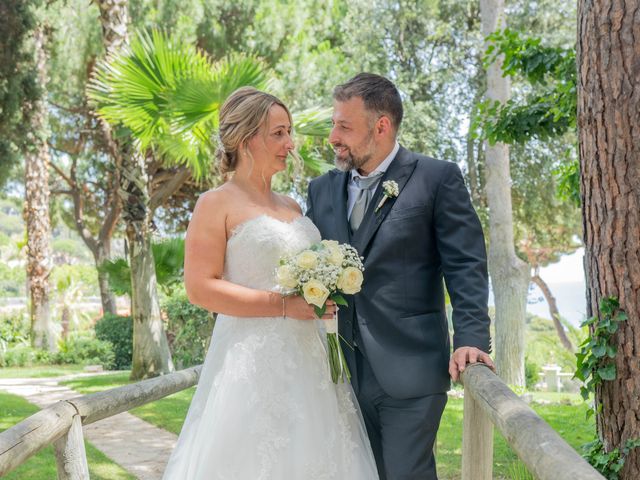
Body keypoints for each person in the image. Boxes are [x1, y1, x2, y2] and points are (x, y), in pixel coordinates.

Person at [162, 86, 379, 479]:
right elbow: (200, 288)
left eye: (289, 131)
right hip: (251, 361)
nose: (289, 143)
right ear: (246, 139)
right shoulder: (215, 204)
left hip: (311, 360)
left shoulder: (292, 206)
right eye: (278, 133)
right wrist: (282, 306)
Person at [306, 73, 495, 480]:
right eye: (333, 123)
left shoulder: (436, 178)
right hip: (339, 375)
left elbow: (465, 263)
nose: (332, 137)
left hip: (411, 369)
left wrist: (471, 338)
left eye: (344, 126)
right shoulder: (320, 190)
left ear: (381, 126)